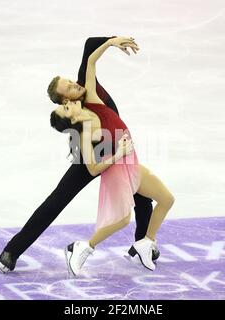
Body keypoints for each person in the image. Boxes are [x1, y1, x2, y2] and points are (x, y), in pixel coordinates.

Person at [0, 36, 160, 273]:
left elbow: (89, 45)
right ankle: (11, 252)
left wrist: (113, 40)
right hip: (94, 152)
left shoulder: (86, 83)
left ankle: (141, 245)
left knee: (143, 199)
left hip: (116, 146)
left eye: (71, 80)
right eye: (69, 87)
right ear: (66, 100)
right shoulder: (77, 122)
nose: (75, 83)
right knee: (57, 200)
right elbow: (83, 148)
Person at [50, 38, 175, 276]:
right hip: (118, 169)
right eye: (65, 108)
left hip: (132, 163)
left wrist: (111, 43)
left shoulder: (93, 101)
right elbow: (94, 168)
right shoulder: (86, 135)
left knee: (166, 199)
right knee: (122, 220)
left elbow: (91, 61)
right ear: (71, 120)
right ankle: (82, 248)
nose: (69, 103)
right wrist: (118, 153)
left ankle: (146, 242)